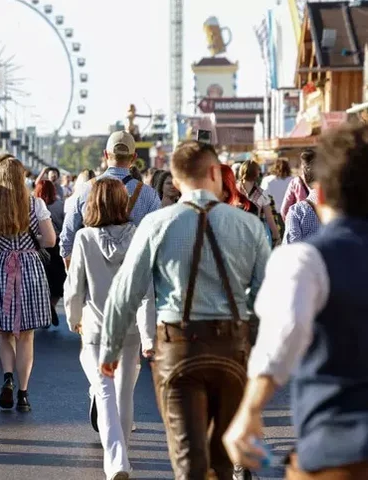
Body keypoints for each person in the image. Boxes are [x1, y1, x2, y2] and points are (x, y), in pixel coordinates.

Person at [101, 141, 271, 479]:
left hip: (178, 346)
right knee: (222, 460)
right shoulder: (248, 225)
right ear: (214, 172)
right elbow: (268, 295)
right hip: (232, 348)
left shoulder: (156, 223)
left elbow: (126, 292)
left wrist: (111, 347)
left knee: (188, 459)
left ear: (176, 182)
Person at [224, 123, 368, 478]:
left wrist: (250, 409)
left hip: (337, 449)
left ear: (318, 195)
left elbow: (283, 335)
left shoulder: (306, 259)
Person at [64, 177, 154, 480]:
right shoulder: (140, 237)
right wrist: (149, 335)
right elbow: (147, 292)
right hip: (129, 331)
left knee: (104, 394)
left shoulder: (85, 239)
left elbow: (75, 287)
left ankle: (116, 462)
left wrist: (73, 317)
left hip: (95, 329)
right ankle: (121, 457)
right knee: (124, 395)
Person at [0, 156, 56, 412]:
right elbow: (51, 240)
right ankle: (23, 392)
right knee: (26, 336)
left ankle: (7, 376)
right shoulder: (35, 204)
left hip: (1, 267)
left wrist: (1, 242)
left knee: (5, 332)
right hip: (29, 267)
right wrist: (33, 241)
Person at [60, 131, 161, 264]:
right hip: (133, 275)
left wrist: (72, 271)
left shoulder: (85, 189)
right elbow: (157, 238)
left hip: (93, 274)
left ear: (105, 155)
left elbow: (67, 239)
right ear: (134, 157)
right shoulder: (149, 194)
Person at [33, 179, 66, 327]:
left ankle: (44, 307)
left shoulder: (33, 205)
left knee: (42, 279)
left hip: (37, 246)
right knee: (58, 281)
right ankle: (51, 304)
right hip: (56, 245)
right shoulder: (60, 205)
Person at [237, 161, 281, 246]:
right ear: (256, 174)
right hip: (254, 236)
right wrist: (276, 236)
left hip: (236, 235)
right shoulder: (261, 194)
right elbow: (269, 218)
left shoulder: (233, 191)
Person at [280, 149, 316, 220]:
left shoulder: (295, 182)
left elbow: (284, 209)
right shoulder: (323, 180)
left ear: (302, 165)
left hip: (301, 218)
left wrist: (290, 223)